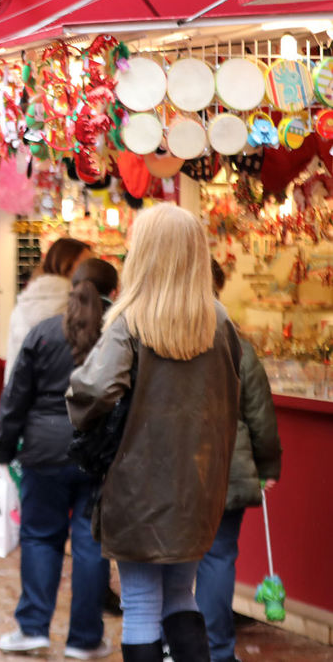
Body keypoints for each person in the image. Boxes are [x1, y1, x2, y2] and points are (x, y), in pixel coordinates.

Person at [67, 204, 242, 662]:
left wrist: (79, 404)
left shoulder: (131, 321)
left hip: (138, 485)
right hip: (199, 484)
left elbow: (94, 391)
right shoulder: (219, 321)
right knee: (183, 595)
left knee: (142, 603)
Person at [0, 258, 120, 660]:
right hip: (97, 455)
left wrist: (2, 450)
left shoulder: (43, 334)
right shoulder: (116, 339)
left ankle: (32, 628)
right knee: (90, 544)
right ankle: (85, 638)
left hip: (43, 453)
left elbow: (15, 400)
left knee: (40, 537)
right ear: (112, 293)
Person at [196, 260, 281, 662]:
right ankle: (217, 652)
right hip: (226, 468)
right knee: (218, 558)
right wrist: (267, 467)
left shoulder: (156, 337)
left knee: (172, 560)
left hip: (171, 469)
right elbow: (260, 414)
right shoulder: (237, 346)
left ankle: (171, 643)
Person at [5, 237, 91, 376]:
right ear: (68, 265)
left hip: (25, 389)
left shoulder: (26, 301)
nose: (90, 270)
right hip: (60, 392)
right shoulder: (76, 306)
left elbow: (14, 360)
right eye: (86, 263)